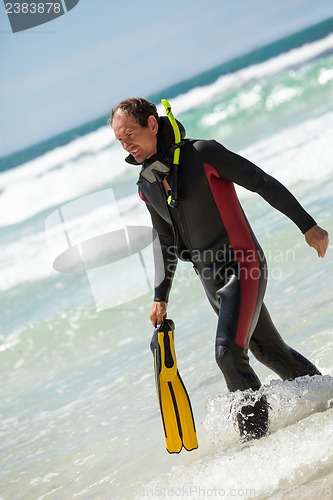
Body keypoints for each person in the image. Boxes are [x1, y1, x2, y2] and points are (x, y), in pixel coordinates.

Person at [110, 97, 329, 440]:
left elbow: (260, 181)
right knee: (269, 350)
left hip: (242, 265)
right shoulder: (147, 184)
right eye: (120, 140)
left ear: (152, 124)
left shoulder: (202, 153)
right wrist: (160, 296)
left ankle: (255, 445)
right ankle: (328, 396)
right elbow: (166, 240)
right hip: (210, 279)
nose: (127, 145)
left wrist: (307, 226)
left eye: (131, 134)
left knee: (228, 354)